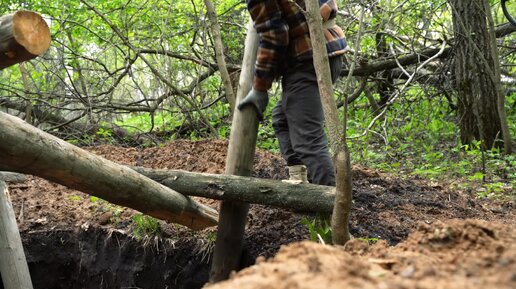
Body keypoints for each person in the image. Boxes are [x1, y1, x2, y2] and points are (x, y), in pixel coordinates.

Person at [238, 0, 348, 186]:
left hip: (308, 59)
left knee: (308, 142)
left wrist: (260, 87)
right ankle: (302, 182)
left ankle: (329, 208)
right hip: (331, 49)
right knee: (282, 120)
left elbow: (276, 37)